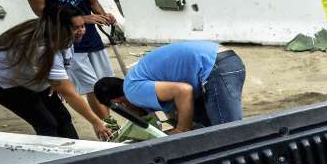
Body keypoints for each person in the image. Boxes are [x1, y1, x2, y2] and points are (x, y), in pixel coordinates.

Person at [16, 0, 116, 122]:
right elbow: (41, 10)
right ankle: (109, 128)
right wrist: (83, 19)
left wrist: (104, 16)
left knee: (105, 84)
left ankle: (110, 124)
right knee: (90, 87)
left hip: (90, 35)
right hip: (64, 40)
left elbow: (92, 0)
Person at [0, 5, 112, 140]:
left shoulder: (63, 37)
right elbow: (69, 93)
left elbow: (62, 73)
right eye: (76, 28)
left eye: (83, 26)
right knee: (46, 122)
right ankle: (56, 162)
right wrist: (96, 121)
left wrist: (55, 84)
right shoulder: (43, 49)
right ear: (59, 28)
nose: (82, 31)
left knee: (62, 116)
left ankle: (76, 155)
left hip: (23, 71)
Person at [92, 41, 246, 133]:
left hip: (216, 66)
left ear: (120, 103)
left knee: (227, 133)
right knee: (202, 126)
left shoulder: (132, 91)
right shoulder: (140, 80)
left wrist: (181, 130)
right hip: (220, 60)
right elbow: (173, 112)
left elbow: (183, 91)